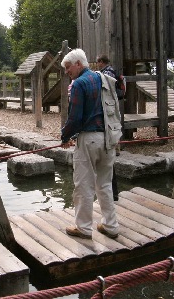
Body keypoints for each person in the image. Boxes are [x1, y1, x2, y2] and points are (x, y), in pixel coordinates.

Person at [60, 49, 119, 240]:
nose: (67, 72)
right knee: (105, 184)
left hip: (89, 139)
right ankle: (110, 225)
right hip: (109, 137)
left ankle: (84, 228)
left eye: (68, 68)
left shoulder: (79, 84)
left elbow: (75, 118)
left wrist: (64, 136)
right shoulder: (103, 78)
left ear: (78, 64)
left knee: (83, 185)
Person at [96, 54, 124, 201]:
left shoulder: (106, 74)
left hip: (109, 118)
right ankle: (113, 195)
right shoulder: (111, 71)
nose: (97, 64)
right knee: (108, 163)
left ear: (102, 62)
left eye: (98, 61)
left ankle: (112, 195)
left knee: (107, 164)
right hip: (111, 117)